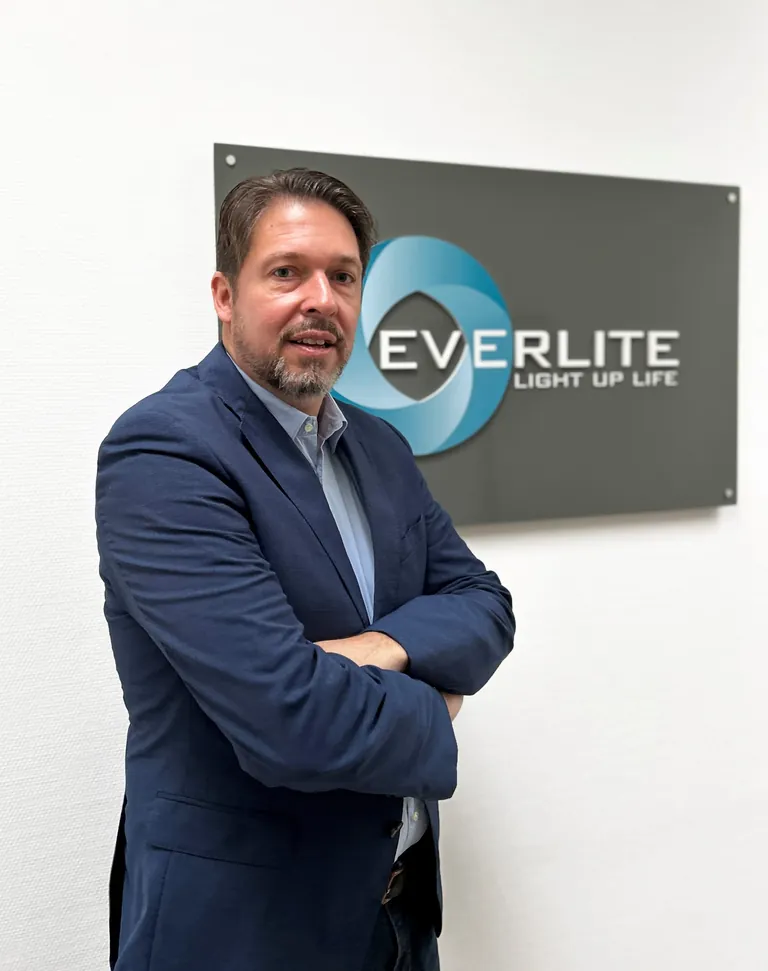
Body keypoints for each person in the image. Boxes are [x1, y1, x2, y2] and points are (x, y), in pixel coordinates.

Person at [96, 167, 515, 971]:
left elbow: (484, 603)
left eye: (343, 276)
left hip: (397, 920)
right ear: (225, 294)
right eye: (287, 272)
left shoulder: (379, 446)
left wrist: (380, 647)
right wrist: (438, 701)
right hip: (245, 931)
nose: (320, 299)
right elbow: (289, 720)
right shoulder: (166, 452)